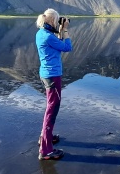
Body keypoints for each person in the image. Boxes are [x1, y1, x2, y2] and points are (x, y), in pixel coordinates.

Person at [35, 8, 72, 161]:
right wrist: (66, 31)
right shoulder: (47, 36)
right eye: (56, 21)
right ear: (51, 21)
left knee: (50, 106)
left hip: (46, 74)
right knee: (52, 109)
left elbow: (55, 42)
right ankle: (46, 150)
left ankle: (45, 136)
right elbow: (67, 47)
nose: (58, 23)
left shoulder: (42, 33)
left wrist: (60, 29)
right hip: (53, 76)